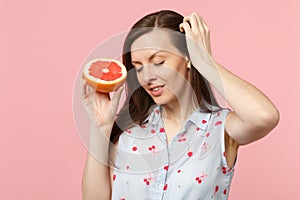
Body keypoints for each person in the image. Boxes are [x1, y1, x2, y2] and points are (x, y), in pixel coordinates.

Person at [80, 10, 280, 200]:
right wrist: (101, 128)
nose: (147, 77)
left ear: (188, 57)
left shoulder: (220, 129)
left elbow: (264, 116)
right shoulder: (129, 134)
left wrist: (205, 62)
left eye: (158, 61)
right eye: (138, 67)